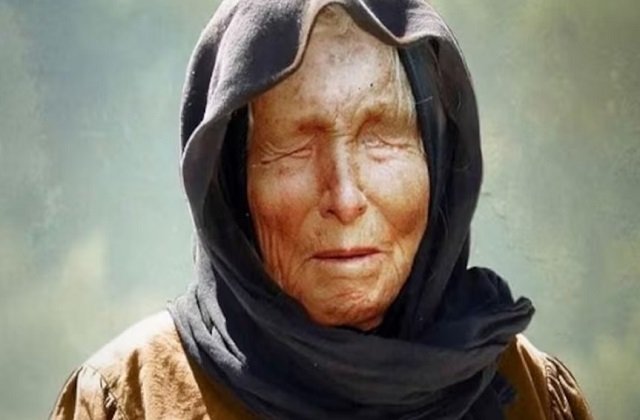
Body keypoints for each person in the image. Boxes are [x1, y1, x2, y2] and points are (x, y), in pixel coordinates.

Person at [51, 1, 594, 419]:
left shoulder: (532, 394)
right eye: (294, 145)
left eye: (380, 137)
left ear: (439, 160)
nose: (345, 198)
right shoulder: (130, 399)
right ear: (233, 186)